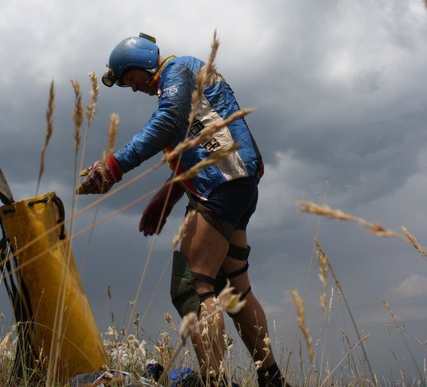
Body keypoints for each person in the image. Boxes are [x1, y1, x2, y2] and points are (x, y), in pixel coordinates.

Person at [78, 33, 286, 387]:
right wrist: (167, 197)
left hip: (221, 183)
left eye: (131, 78)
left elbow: (168, 121)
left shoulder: (176, 69)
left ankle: (214, 381)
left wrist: (114, 167)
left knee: (192, 285)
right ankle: (272, 379)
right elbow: (196, 147)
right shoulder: (187, 77)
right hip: (238, 184)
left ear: (144, 62)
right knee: (236, 291)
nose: (133, 88)